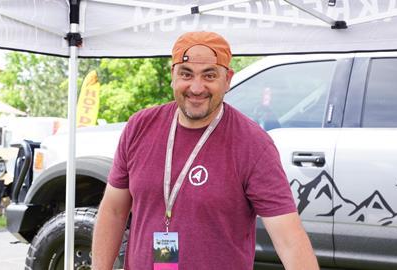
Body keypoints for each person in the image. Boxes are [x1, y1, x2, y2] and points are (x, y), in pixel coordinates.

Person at [92, 31, 319, 270]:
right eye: (186, 74)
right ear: (173, 75)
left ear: (227, 79)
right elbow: (114, 211)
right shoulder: (140, 126)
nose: (197, 87)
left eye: (209, 75)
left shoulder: (253, 144)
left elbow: (289, 240)